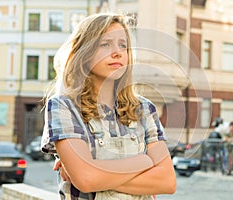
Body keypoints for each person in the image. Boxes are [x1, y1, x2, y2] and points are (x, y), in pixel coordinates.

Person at [41, 13, 176, 200]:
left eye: (123, 45)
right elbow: (86, 180)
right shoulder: (63, 106)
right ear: (84, 52)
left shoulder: (145, 109)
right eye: (105, 44)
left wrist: (92, 173)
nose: (118, 52)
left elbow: (167, 181)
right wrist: (144, 162)